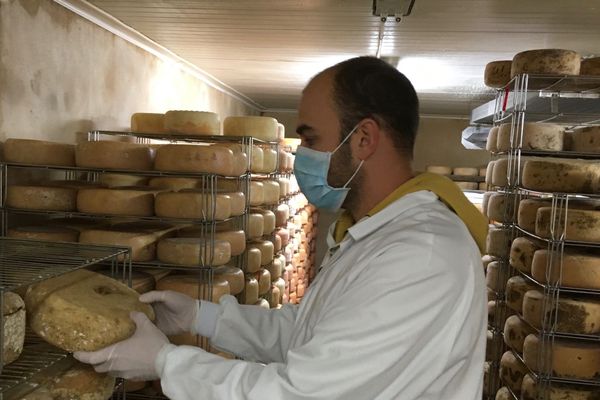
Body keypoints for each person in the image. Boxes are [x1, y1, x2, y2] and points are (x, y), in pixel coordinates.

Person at [75, 56, 488, 400]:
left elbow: (302, 394)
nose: (302, 155)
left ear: (364, 139)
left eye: (310, 138)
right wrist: (203, 317)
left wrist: (166, 363)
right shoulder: (372, 233)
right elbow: (308, 335)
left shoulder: (419, 255)